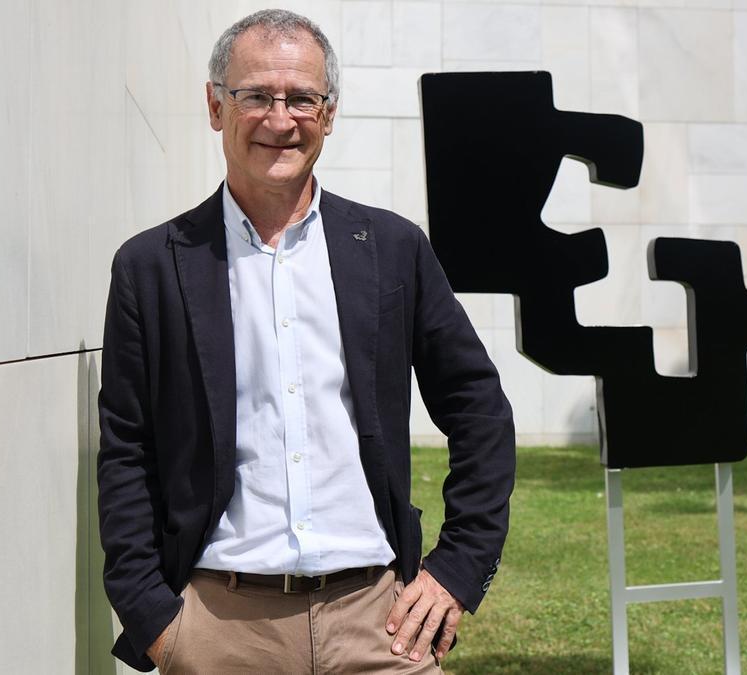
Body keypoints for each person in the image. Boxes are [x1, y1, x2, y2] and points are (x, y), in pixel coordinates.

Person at [96, 9, 515, 673]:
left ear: (329, 113)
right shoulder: (151, 266)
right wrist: (154, 616)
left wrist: (459, 567)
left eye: (301, 98)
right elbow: (126, 446)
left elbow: (478, 404)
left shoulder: (391, 249)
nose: (279, 118)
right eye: (255, 95)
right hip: (219, 631)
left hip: (380, 621)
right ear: (215, 106)